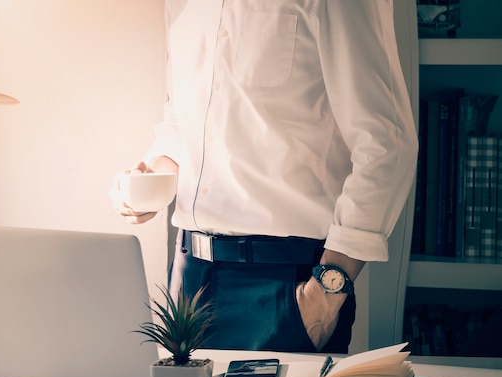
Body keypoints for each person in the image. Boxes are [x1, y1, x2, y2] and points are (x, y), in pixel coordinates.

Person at [112, 0, 418, 354]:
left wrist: (324, 294)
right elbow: (181, 122)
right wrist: (153, 175)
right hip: (189, 278)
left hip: (288, 288)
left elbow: (388, 142)